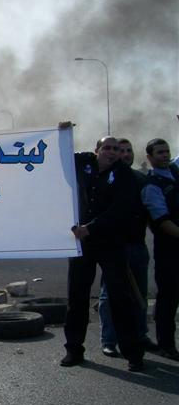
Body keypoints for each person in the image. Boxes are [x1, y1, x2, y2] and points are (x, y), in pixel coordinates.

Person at [62, 136, 144, 371]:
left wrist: (91, 227)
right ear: (97, 150)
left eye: (116, 149)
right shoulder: (84, 162)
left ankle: (133, 353)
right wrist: (62, 131)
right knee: (77, 297)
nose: (112, 152)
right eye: (107, 148)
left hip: (111, 243)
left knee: (120, 298)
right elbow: (60, 152)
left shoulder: (124, 174)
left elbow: (120, 209)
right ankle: (74, 349)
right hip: (82, 244)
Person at [96, 138, 155, 357]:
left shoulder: (141, 179)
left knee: (140, 293)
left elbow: (151, 211)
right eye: (120, 150)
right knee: (109, 296)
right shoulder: (106, 179)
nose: (125, 154)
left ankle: (140, 335)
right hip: (113, 246)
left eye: (129, 150)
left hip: (137, 244)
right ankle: (109, 340)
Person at [141, 138, 179, 361]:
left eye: (166, 151)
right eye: (159, 153)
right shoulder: (152, 185)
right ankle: (166, 344)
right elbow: (162, 220)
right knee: (169, 297)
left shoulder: (174, 171)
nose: (164, 155)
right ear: (150, 157)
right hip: (169, 248)